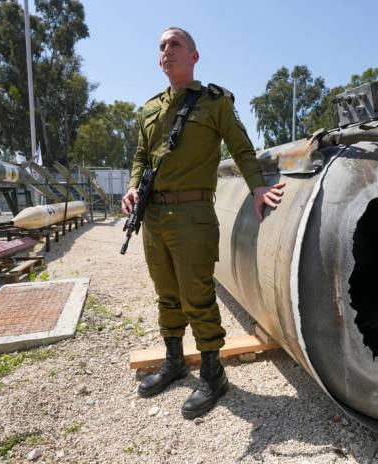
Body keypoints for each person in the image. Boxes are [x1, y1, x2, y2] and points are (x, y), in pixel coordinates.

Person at [122, 27, 285, 419]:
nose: (167, 50)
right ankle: (175, 360)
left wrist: (258, 188)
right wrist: (131, 189)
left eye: (175, 44)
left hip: (192, 213)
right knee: (166, 292)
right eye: (162, 46)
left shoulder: (214, 103)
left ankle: (213, 374)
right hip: (153, 215)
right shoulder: (148, 110)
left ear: (194, 56)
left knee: (197, 293)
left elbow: (242, 147)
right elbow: (141, 159)